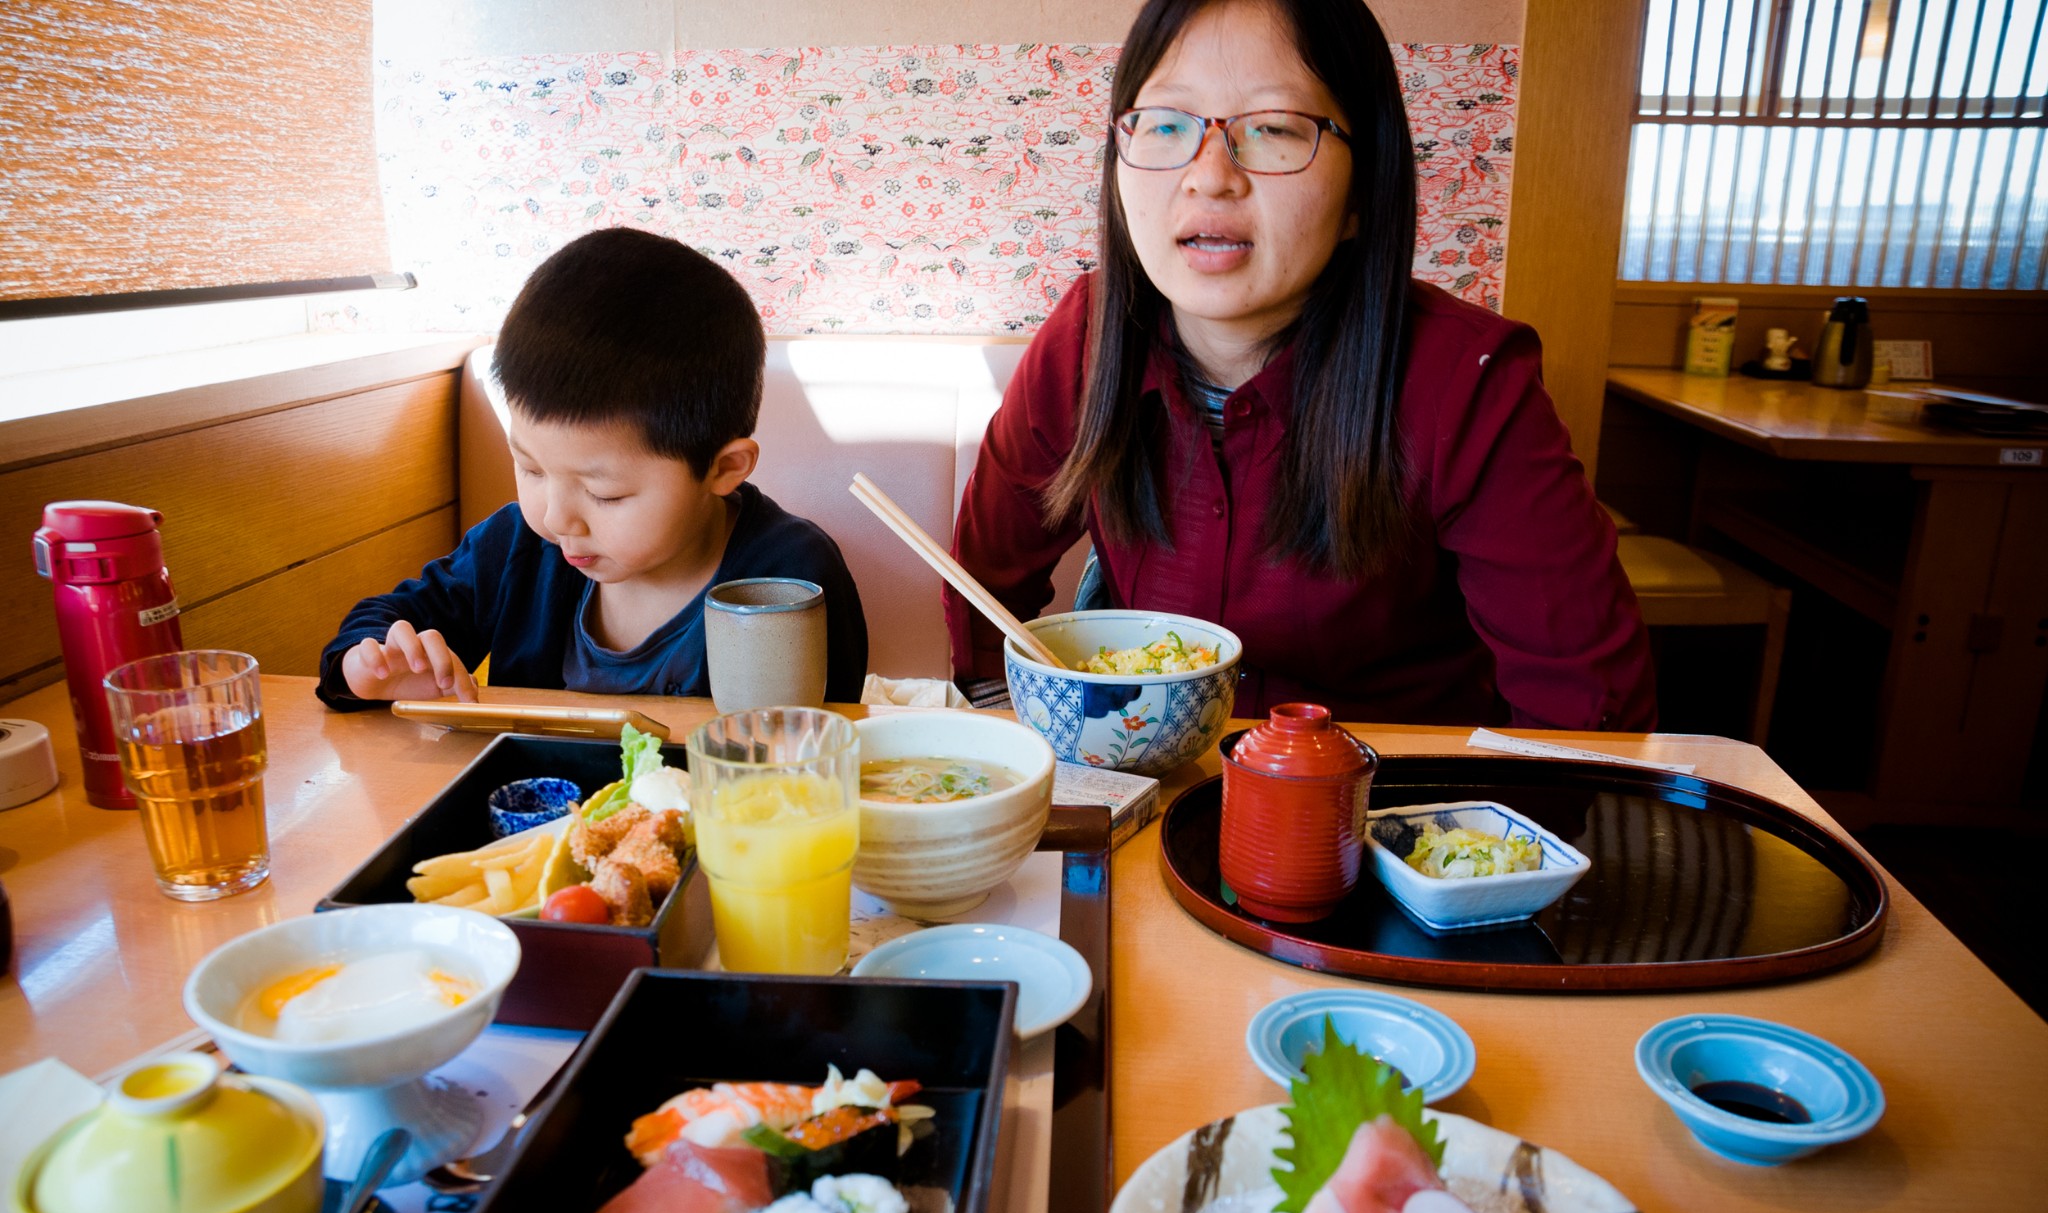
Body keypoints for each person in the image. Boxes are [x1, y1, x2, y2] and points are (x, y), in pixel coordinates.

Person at [948, 0, 1656, 730]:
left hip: (1385, 814)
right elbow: (982, 585)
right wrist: (1019, 746)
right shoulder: (1089, 337)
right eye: (1165, 123)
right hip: (1146, 793)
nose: (1210, 177)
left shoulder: (1467, 381)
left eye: (1274, 129)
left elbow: (1588, 714)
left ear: (1361, 192)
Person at [318, 227, 867, 709]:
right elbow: (385, 618)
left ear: (723, 469)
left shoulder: (788, 579)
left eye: (604, 494)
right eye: (530, 469)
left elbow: (812, 756)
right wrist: (371, 669)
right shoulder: (516, 548)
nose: (557, 519)